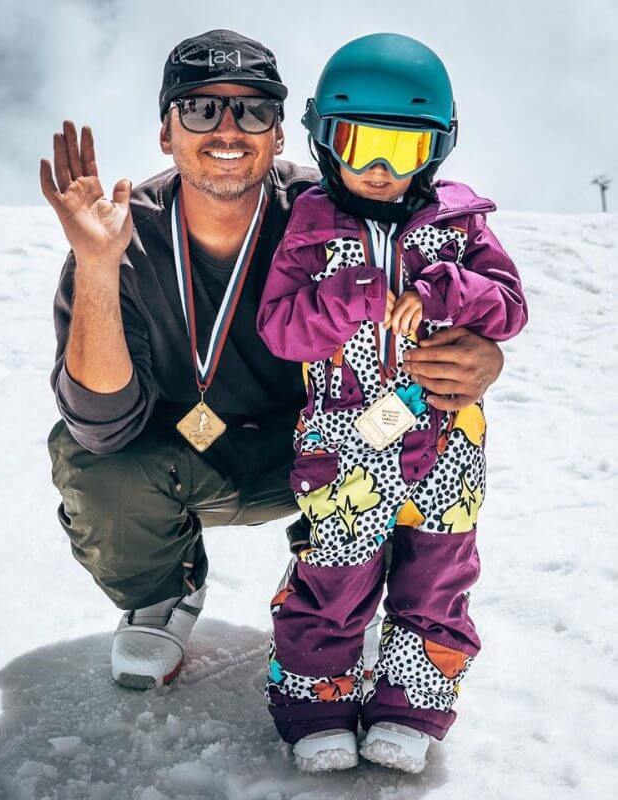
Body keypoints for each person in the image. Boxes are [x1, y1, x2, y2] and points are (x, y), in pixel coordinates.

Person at [41, 29, 506, 697]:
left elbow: (443, 293)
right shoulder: (122, 233)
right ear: (166, 132)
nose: (227, 128)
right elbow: (101, 425)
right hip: (184, 451)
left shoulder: (340, 212)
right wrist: (95, 266)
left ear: (282, 134)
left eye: (253, 110)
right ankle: (168, 591)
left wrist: (481, 354)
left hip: (321, 448)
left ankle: (324, 571)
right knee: (94, 464)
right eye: (200, 109)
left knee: (421, 446)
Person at [257, 33, 527, 774]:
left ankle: (411, 705)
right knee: (334, 574)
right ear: (323, 139)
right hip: (344, 445)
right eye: (358, 143)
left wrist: (450, 287)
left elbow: (508, 307)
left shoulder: (460, 225)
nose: (378, 168)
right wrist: (349, 296)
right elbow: (280, 328)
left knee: (436, 578)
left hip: (447, 444)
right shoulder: (309, 229)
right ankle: (315, 701)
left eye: (401, 150)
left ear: (436, 150)